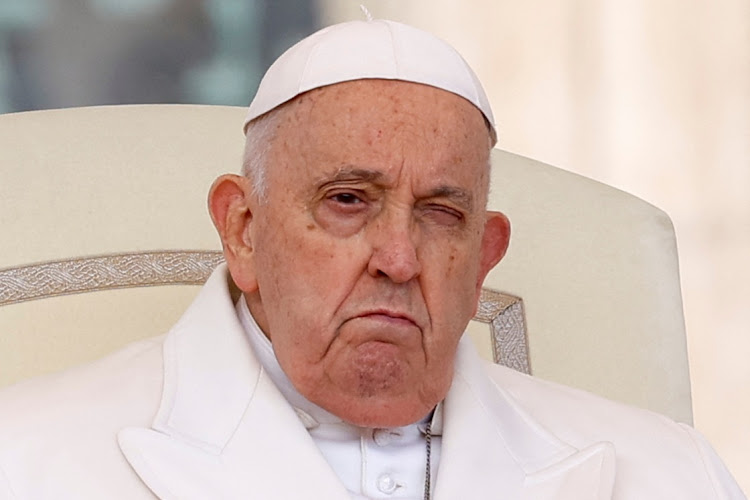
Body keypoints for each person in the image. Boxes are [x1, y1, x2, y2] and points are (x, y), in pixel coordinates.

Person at [0, 19, 745, 500]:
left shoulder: (668, 474)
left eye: (441, 213)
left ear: (483, 259)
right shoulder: (28, 458)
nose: (398, 257)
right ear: (243, 229)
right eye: (348, 200)